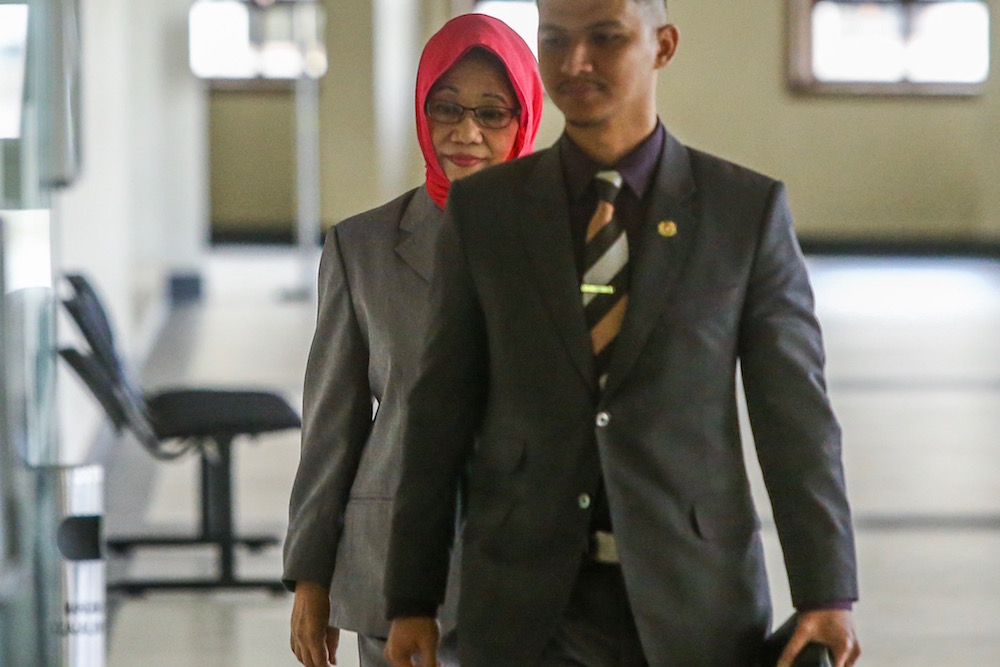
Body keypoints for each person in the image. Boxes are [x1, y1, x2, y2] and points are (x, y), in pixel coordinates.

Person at [383, 1, 861, 666]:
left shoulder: (742, 213)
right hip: (522, 606)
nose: (575, 62)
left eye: (605, 39)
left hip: (693, 601)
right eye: (555, 40)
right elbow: (440, 412)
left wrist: (826, 591)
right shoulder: (487, 212)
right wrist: (412, 596)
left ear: (662, 45)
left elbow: (796, 417)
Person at [282, 14, 543, 667]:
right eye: (446, 108)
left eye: (493, 112)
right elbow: (332, 428)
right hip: (396, 570)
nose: (467, 132)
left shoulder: (569, 242)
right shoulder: (361, 247)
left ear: (527, 119)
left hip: (535, 568)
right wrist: (312, 576)